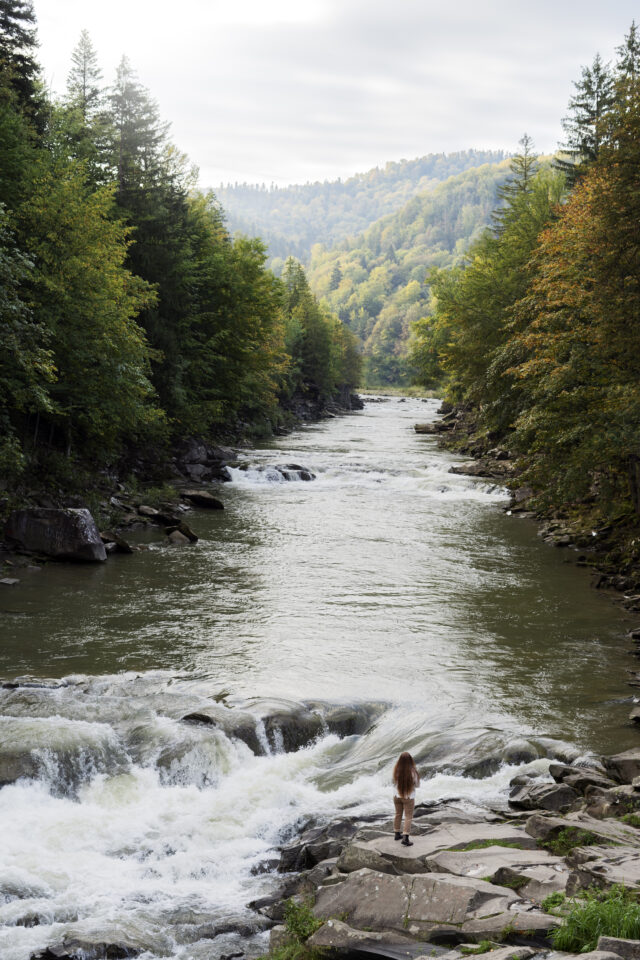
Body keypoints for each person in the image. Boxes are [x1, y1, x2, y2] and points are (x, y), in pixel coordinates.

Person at [393, 751, 420, 846]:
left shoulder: (396, 769)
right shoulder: (413, 771)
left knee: (398, 814)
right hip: (408, 797)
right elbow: (417, 785)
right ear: (410, 760)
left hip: (396, 796)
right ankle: (405, 838)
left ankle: (397, 834)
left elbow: (394, 782)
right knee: (408, 816)